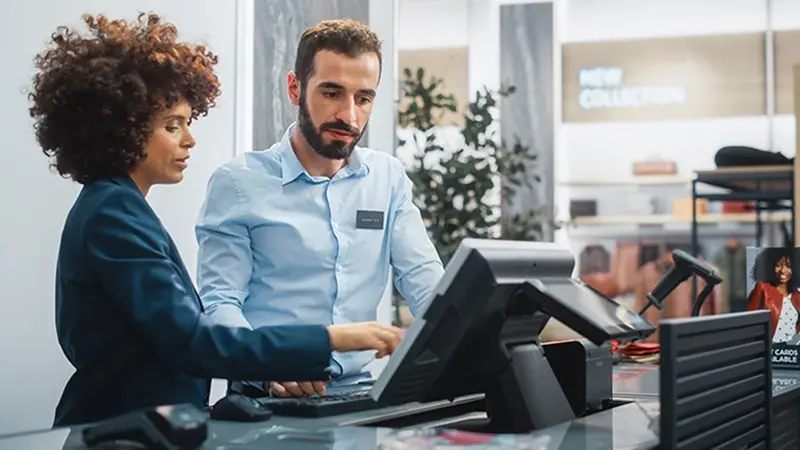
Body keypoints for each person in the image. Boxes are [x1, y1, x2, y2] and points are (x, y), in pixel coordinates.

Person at [29, 12, 403, 427]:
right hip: (116, 432)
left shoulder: (120, 208)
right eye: (173, 126)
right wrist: (334, 338)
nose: (189, 139)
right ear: (124, 129)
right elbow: (195, 341)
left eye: (187, 123)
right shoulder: (112, 216)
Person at [195, 19, 444, 397]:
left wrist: (467, 330)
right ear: (295, 88)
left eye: (363, 98)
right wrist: (264, 366)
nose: (350, 115)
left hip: (363, 392)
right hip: (267, 395)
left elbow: (425, 280)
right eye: (331, 93)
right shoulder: (237, 183)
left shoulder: (388, 178)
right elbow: (220, 301)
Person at [746, 247, 800, 343]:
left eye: (789, 266)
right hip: (769, 350)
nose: (783, 271)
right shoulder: (762, 288)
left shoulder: (797, 296)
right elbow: (750, 324)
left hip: (791, 352)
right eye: (778, 265)